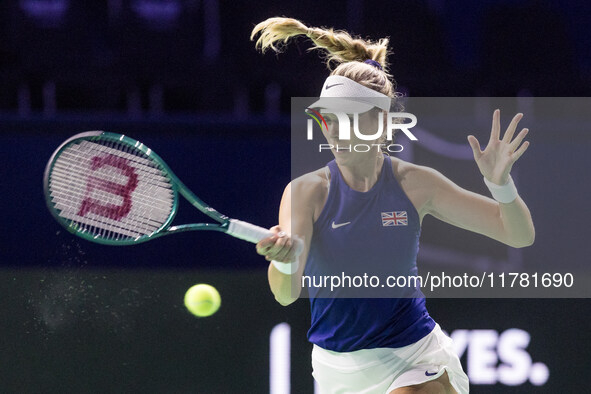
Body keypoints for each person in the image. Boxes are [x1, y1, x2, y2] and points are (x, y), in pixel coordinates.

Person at [252, 17, 535, 394]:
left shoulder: (417, 184)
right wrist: (283, 259)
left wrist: (500, 185)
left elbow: (518, 234)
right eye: (326, 118)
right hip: (338, 371)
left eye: (349, 119)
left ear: (381, 122)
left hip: (414, 355)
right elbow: (285, 294)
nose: (334, 130)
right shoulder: (306, 192)